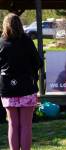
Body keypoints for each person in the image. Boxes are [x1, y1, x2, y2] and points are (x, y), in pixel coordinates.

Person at [0, 13, 42, 150]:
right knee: (26, 125)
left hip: (7, 87)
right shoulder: (27, 40)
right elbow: (38, 62)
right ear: (20, 24)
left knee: (12, 124)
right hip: (27, 87)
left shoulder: (1, 42)